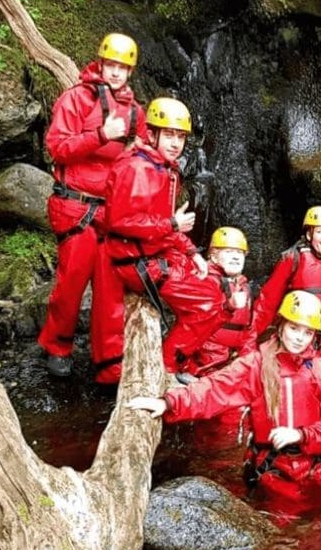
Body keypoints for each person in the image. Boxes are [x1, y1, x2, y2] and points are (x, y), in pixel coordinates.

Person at [128, 290, 321, 504]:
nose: (299, 338)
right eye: (294, 328)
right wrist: (169, 402)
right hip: (273, 472)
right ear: (281, 324)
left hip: (315, 472)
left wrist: (301, 435)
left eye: (307, 333)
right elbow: (214, 389)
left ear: (315, 336)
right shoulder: (257, 364)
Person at [90, 96, 225, 384]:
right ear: (152, 135)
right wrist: (173, 223)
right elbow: (122, 222)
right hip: (137, 260)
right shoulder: (138, 168)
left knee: (214, 283)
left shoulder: (162, 166)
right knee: (210, 303)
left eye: (180, 137)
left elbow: (159, 223)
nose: (176, 143)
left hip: (150, 253)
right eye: (170, 135)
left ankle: (182, 357)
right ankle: (169, 366)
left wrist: (192, 253)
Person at [37, 33, 147, 377]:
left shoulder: (134, 112)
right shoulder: (76, 100)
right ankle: (56, 346)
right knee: (71, 282)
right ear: (100, 64)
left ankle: (109, 360)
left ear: (129, 71)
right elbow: (57, 148)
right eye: (110, 65)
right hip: (76, 207)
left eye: (122, 67)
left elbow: (141, 164)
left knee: (110, 287)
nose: (115, 73)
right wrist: (101, 134)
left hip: (111, 213)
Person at [253, 206, 321, 369]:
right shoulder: (292, 259)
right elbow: (267, 301)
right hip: (301, 330)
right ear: (309, 235)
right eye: (320, 231)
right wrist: (250, 337)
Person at [181, 226, 256, 378]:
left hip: (231, 361)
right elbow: (193, 328)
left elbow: (248, 331)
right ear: (213, 257)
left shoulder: (244, 287)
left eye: (240, 253)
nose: (236, 257)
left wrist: (246, 360)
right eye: (229, 252)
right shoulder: (204, 281)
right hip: (204, 365)